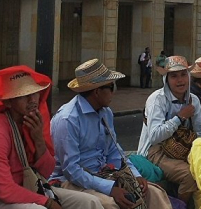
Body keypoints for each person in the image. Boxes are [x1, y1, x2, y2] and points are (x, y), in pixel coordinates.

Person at [50, 59, 171, 209]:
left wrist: (135, 175)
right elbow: (72, 171)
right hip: (72, 182)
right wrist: (110, 189)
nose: (114, 92)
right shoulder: (68, 119)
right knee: (110, 204)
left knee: (154, 193)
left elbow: (115, 149)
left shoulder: (106, 113)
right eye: (111, 87)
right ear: (97, 91)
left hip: (104, 174)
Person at [0, 70, 103, 209]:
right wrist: (47, 202)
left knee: (90, 202)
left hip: (33, 187)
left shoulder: (32, 122)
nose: (32, 100)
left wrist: (38, 139)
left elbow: (46, 172)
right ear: (9, 103)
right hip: (1, 200)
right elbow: (4, 189)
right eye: (24, 96)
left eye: (34, 93)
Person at [137, 56, 201, 204]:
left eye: (183, 75)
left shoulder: (194, 100)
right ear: (166, 79)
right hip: (154, 150)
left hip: (183, 149)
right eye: (174, 76)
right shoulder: (157, 99)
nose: (180, 80)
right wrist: (179, 118)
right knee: (189, 175)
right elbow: (154, 136)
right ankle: (179, 205)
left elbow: (199, 133)